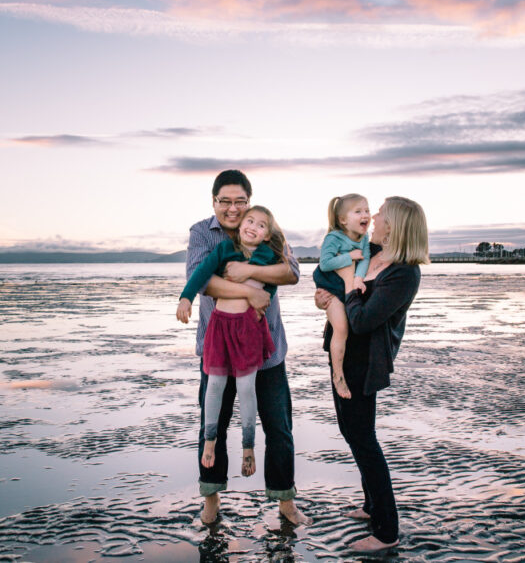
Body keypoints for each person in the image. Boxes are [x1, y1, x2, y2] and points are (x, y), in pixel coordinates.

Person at [183, 170, 309, 526]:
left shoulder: (266, 228)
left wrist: (244, 273)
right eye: (226, 201)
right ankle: (211, 502)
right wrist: (250, 291)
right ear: (214, 202)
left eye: (240, 201)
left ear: (249, 202)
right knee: (214, 424)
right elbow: (202, 280)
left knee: (279, 428)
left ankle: (285, 502)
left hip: (266, 350)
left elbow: (292, 271)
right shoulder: (201, 233)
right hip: (218, 347)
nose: (233, 209)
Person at [314, 196, 429, 552]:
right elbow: (331, 273)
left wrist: (344, 294)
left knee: (364, 439)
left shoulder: (404, 272)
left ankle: (386, 531)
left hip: (366, 363)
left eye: (379, 212)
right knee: (352, 431)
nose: (373, 216)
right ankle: (370, 506)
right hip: (343, 354)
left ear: (394, 223)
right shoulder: (372, 251)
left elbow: (363, 320)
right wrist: (326, 298)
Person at [177, 205, 286, 480]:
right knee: (215, 385)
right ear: (240, 226)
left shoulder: (268, 255)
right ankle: (210, 441)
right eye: (249, 221)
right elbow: (201, 273)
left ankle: (248, 447)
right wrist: (186, 298)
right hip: (219, 328)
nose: (253, 226)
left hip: (249, 329)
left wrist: (266, 297)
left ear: (266, 235)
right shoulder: (224, 250)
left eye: (261, 225)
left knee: (247, 388)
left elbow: (279, 279)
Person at [313, 194, 371, 400]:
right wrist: (349, 257)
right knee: (341, 328)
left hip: (346, 285)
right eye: (358, 211)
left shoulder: (364, 239)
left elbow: (365, 259)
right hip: (330, 286)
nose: (365, 215)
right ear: (343, 220)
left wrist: (358, 278)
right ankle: (338, 376)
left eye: (367, 210)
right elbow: (325, 264)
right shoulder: (333, 238)